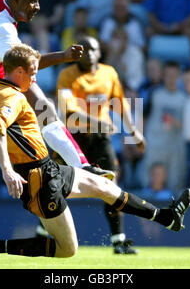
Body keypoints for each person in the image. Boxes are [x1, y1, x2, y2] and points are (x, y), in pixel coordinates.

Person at [0, 43, 190, 262]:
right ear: (19, 71)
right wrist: (6, 171)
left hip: (47, 169)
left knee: (105, 187)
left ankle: (167, 217)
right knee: (67, 250)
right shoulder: (11, 97)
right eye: (33, 71)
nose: (35, 77)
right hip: (38, 182)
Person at [0, 0, 113, 261]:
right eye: (32, 2)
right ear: (16, 1)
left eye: (37, 0)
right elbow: (27, 65)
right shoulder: (0, 31)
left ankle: (82, 164)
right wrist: (64, 56)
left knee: (42, 105)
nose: (37, 7)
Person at [56, 36, 146, 254]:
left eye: (92, 49)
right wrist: (98, 121)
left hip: (100, 138)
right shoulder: (67, 75)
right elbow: (69, 112)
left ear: (99, 52)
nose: (88, 53)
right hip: (74, 137)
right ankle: (44, 232)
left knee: (111, 183)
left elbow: (120, 103)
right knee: (57, 185)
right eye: (83, 49)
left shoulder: (109, 73)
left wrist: (133, 131)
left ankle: (118, 240)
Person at [142, 61, 186, 195]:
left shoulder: (185, 98)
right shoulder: (154, 94)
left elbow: (188, 125)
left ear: (179, 77)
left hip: (175, 147)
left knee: (175, 181)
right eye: (168, 75)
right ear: (163, 76)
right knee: (150, 181)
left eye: (175, 75)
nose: (171, 78)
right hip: (155, 144)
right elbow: (143, 117)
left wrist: (176, 122)